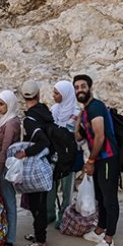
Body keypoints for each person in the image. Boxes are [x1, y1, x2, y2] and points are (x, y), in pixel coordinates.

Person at [74, 74, 120, 246]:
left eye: (83, 86)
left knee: (109, 199)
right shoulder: (86, 112)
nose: (80, 90)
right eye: (76, 87)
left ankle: (109, 240)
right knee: (100, 197)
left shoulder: (96, 108)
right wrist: (78, 121)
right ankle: (100, 230)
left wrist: (91, 161)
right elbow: (79, 137)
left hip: (107, 158)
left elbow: (100, 136)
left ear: (90, 87)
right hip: (100, 160)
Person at [17, 91, 53, 246]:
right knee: (40, 203)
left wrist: (26, 153)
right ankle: (39, 234)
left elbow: (43, 141)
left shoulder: (30, 119)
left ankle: (41, 242)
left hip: (36, 166)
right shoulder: (44, 112)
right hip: (45, 164)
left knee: (37, 204)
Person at [0, 89, 21, 246]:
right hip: (1, 166)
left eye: (1, 104)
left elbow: (5, 150)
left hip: (6, 168)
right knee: (4, 201)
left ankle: (10, 239)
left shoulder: (11, 123)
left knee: (9, 201)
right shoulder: (4, 121)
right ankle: (4, 234)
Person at [47, 80, 81, 228]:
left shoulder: (77, 113)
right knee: (51, 188)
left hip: (69, 158)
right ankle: (49, 215)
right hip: (54, 156)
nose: (53, 96)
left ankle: (63, 218)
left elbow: (80, 136)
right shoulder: (53, 110)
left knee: (67, 190)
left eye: (56, 93)